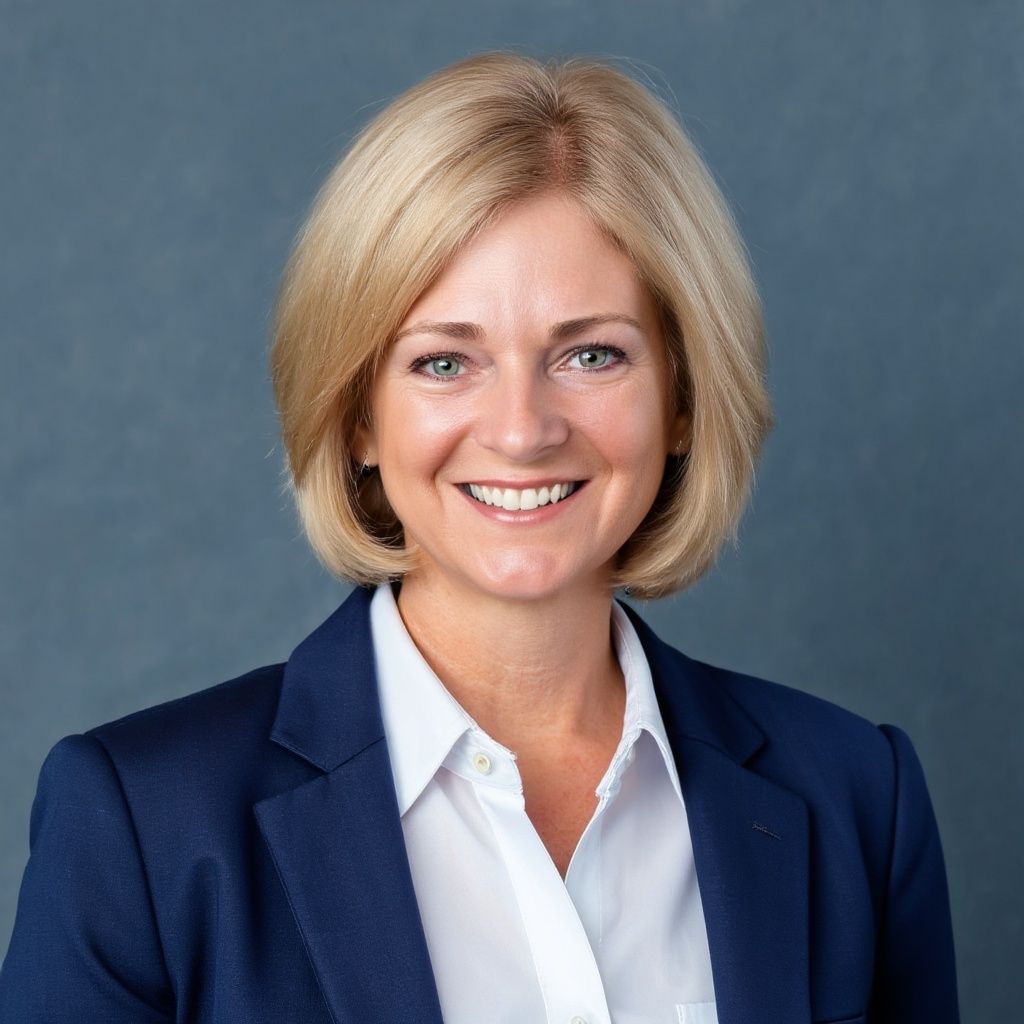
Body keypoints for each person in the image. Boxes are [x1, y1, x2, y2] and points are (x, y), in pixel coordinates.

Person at [0, 51, 959, 1024]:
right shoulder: (144, 827)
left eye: (591, 354)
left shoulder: (853, 802)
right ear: (359, 416)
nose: (520, 427)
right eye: (444, 360)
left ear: (681, 397)